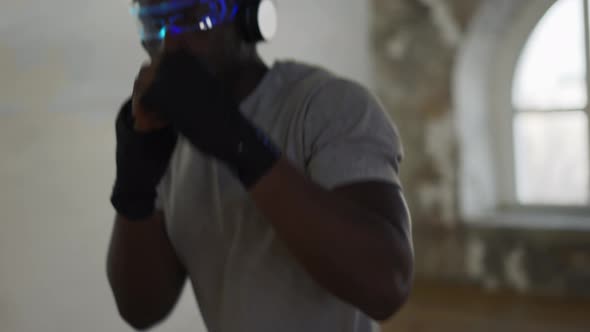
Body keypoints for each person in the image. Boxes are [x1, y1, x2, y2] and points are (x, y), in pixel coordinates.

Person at [106, 0, 414, 331]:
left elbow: (387, 285)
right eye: (156, 26)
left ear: (247, 15)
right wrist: (134, 184)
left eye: (191, 20)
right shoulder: (173, 136)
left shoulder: (327, 107)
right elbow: (140, 308)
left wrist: (236, 141)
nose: (171, 44)